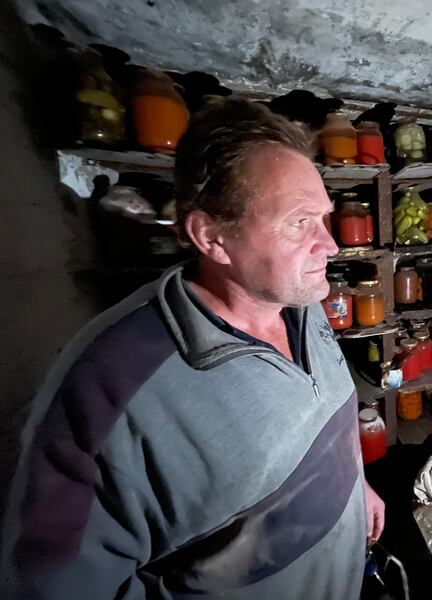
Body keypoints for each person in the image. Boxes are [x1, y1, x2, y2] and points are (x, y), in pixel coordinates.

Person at [1, 97, 384, 599]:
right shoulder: (108, 385)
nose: (330, 245)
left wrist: (355, 486)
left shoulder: (301, 300)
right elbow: (50, 588)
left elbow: (324, 413)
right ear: (212, 237)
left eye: (325, 218)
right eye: (299, 222)